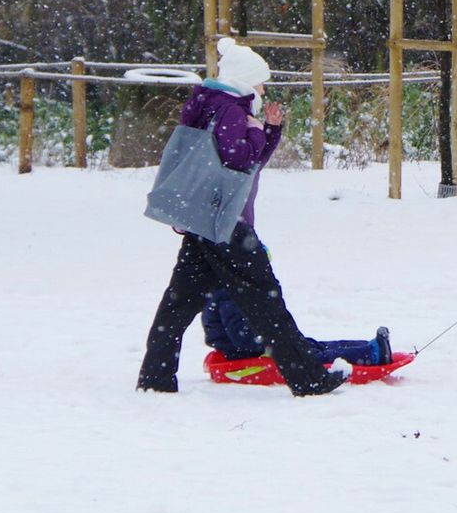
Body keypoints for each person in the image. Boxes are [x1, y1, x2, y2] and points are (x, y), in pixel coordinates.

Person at [136, 38, 347, 395]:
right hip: (226, 222)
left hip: (203, 217)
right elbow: (238, 158)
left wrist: (269, 130)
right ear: (247, 80)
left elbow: (245, 163)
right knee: (265, 299)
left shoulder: (210, 104)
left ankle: (155, 377)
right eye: (260, 81)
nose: (263, 88)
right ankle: (308, 377)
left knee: (179, 301)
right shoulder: (231, 111)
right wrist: (253, 128)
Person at [201, 288, 393, 368]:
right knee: (306, 357)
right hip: (246, 354)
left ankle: (369, 346)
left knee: (312, 344)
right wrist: (267, 337)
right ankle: (370, 355)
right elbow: (241, 337)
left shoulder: (230, 292)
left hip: (254, 347)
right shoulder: (228, 296)